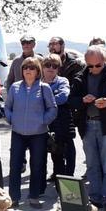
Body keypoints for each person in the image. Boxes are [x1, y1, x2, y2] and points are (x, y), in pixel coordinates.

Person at [67, 47, 106, 211]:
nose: (94, 68)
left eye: (98, 65)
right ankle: (95, 198)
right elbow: (71, 100)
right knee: (92, 164)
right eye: (91, 66)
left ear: (104, 61)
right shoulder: (80, 76)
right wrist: (82, 100)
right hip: (87, 124)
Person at [5, 57, 57, 207]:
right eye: (25, 67)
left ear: (37, 71)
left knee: (37, 165)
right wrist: (12, 119)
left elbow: (52, 108)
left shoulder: (44, 88)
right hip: (18, 133)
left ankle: (34, 196)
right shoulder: (14, 87)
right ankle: (14, 197)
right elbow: (7, 107)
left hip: (38, 134)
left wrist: (43, 121)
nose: (28, 70)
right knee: (15, 165)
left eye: (32, 67)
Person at [47, 37, 84, 175]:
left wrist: (46, 100)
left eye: (55, 44)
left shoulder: (75, 64)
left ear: (62, 45)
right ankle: (58, 174)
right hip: (52, 115)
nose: (52, 46)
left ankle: (69, 176)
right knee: (54, 143)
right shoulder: (46, 64)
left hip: (70, 109)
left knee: (69, 144)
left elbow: (72, 89)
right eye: (50, 44)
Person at [41, 53, 74, 181]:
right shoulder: (37, 82)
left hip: (63, 121)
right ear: (42, 67)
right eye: (48, 65)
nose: (51, 68)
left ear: (58, 68)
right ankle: (57, 176)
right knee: (54, 151)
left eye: (54, 66)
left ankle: (69, 178)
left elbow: (63, 97)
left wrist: (42, 102)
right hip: (46, 122)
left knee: (68, 151)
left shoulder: (62, 81)